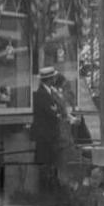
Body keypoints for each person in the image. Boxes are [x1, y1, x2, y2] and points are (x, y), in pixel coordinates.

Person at [31, 66, 65, 197]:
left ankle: (51, 190)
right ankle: (45, 191)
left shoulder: (50, 92)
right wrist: (57, 112)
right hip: (44, 134)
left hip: (50, 134)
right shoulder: (40, 94)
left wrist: (58, 112)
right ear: (49, 79)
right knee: (45, 162)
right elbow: (51, 112)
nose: (55, 79)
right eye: (53, 78)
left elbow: (57, 109)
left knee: (51, 162)